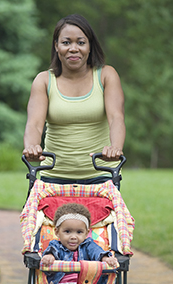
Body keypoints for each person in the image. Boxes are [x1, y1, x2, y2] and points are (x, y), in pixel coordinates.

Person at [23, 13, 125, 184]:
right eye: (66, 42)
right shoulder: (43, 80)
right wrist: (32, 147)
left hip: (101, 175)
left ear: (90, 46)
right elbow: (34, 124)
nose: (73, 48)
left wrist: (115, 148)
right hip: (53, 176)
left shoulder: (106, 75)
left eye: (80, 42)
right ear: (56, 46)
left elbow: (116, 117)